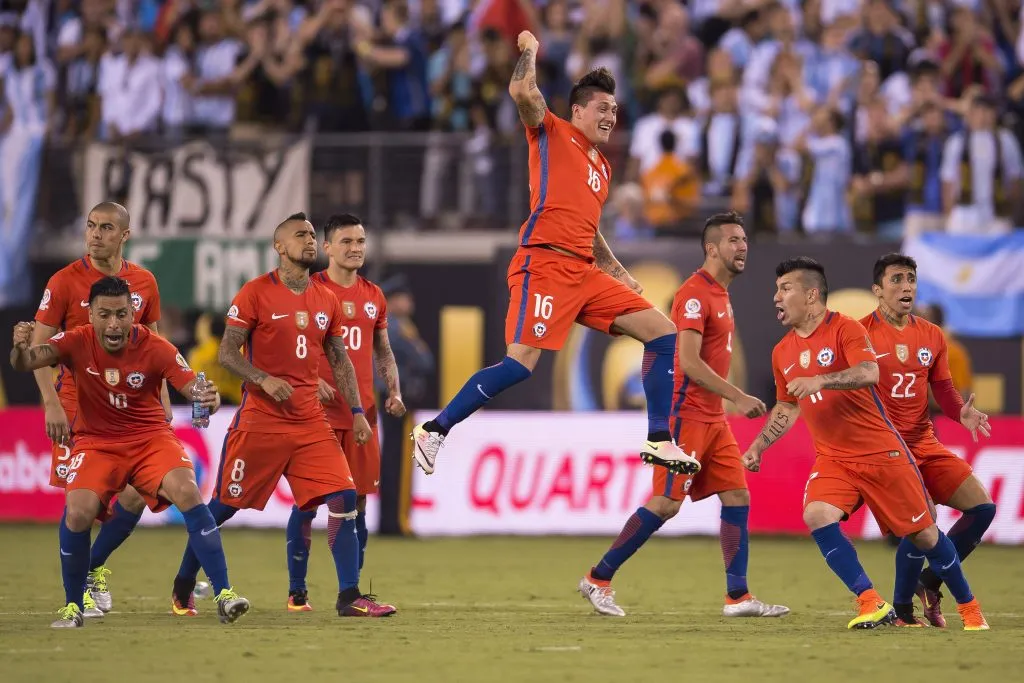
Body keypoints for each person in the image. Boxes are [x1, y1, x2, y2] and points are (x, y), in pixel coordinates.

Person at [412, 31, 700, 479]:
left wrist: (618, 273)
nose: (610, 117)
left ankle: (659, 439)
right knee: (520, 364)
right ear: (578, 110)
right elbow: (520, 90)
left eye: (615, 111)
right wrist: (529, 47)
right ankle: (435, 428)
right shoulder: (549, 130)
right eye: (602, 109)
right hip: (543, 262)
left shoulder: (602, 167)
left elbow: (590, 229)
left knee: (664, 335)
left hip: (583, 271)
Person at [742, 257, 988, 630]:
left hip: (884, 449)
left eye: (784, 288)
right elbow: (787, 406)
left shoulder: (846, 330)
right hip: (835, 458)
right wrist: (760, 444)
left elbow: (869, 372)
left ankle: (967, 608)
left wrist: (821, 380)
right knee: (816, 515)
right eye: (777, 289)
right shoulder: (782, 352)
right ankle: (872, 602)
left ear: (811, 295)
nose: (776, 296)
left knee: (924, 533)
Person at [169, 212, 395, 618]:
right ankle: (183, 584)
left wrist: (358, 411)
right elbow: (227, 352)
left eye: (311, 234)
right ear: (279, 246)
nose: (309, 240)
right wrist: (263, 378)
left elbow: (339, 359)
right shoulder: (255, 292)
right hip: (261, 420)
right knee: (223, 505)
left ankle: (348, 596)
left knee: (344, 495)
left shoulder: (325, 299)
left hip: (310, 421)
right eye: (300, 235)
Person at [578, 212, 789, 619]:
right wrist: (738, 396)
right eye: (733, 240)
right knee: (665, 504)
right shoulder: (694, 294)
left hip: (712, 419)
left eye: (744, 240)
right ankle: (597, 578)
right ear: (711, 248)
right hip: (686, 414)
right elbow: (687, 362)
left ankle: (738, 596)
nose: (742, 246)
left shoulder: (720, 294)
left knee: (737, 495)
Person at [10, 276, 249, 628]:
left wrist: (208, 400)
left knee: (188, 492)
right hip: (96, 442)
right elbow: (26, 361)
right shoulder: (75, 341)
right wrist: (18, 348)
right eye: (104, 314)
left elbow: (192, 387)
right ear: (89, 315)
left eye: (121, 314)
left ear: (133, 313)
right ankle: (73, 607)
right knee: (77, 514)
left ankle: (225, 594)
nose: (113, 324)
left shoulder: (157, 347)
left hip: (150, 438)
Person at [31, 201, 168, 615]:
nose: (95, 234)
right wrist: (51, 403)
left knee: (137, 495)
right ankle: (79, 594)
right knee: (83, 505)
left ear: (125, 235)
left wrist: (162, 404)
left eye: (106, 228)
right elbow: (38, 347)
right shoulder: (64, 281)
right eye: (91, 226)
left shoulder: (144, 281)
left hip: (132, 405)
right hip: (78, 404)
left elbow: (154, 346)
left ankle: (92, 568)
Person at [861, 253, 993, 627]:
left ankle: (927, 582)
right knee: (922, 519)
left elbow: (944, 389)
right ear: (878, 289)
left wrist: (961, 412)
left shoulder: (931, 335)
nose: (906, 287)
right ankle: (904, 610)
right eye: (897, 279)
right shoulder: (858, 333)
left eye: (911, 279)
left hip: (924, 441)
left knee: (982, 508)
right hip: (885, 446)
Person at [284, 214, 406, 612]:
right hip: (315, 417)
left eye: (361, 241)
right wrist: (306, 379)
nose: (356, 248)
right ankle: (297, 590)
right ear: (327, 248)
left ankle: (351, 591)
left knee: (360, 504)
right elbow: (287, 344)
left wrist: (394, 390)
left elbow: (383, 350)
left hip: (361, 419)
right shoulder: (310, 290)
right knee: (307, 504)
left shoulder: (374, 296)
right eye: (347, 241)